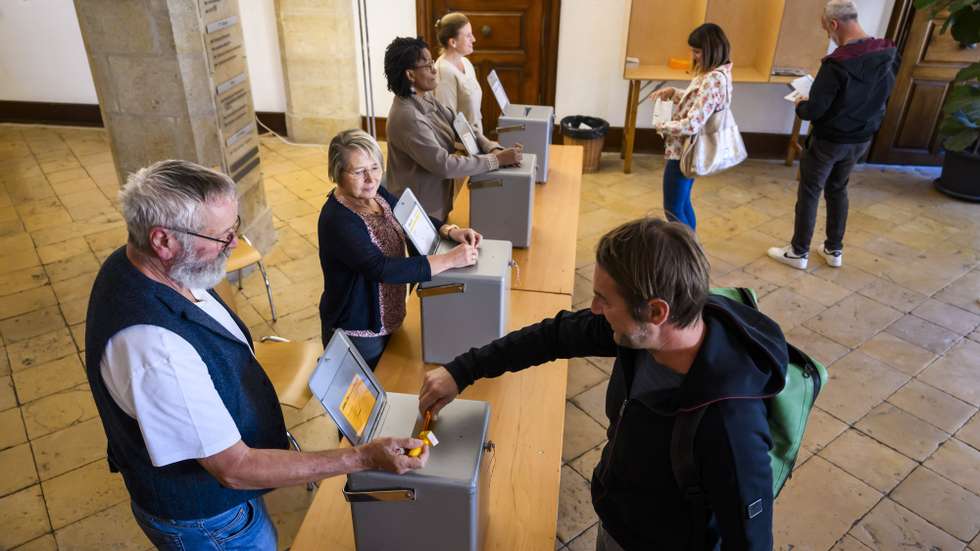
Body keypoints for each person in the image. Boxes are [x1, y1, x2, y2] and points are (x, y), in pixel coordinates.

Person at [85, 159, 429, 550]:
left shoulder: (152, 262)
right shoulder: (154, 348)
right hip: (212, 523)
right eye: (220, 236)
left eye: (234, 227)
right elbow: (235, 469)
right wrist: (363, 459)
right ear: (163, 240)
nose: (233, 244)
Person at [420, 217, 787, 550]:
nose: (594, 308)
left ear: (656, 311)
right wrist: (462, 370)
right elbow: (556, 335)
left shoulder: (730, 425)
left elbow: (750, 541)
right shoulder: (643, 332)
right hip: (618, 518)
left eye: (604, 299)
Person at [318, 129, 482, 369]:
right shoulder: (338, 219)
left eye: (375, 167)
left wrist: (450, 230)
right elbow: (380, 268)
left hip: (390, 317)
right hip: (359, 332)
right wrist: (449, 260)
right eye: (359, 171)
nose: (371, 178)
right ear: (337, 173)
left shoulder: (376, 196)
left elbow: (412, 217)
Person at [768, 0, 899, 270]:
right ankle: (833, 250)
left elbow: (813, 111)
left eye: (826, 30)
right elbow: (878, 95)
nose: (828, 35)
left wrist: (801, 103)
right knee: (838, 189)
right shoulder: (886, 53)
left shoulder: (836, 64)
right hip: (861, 139)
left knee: (810, 191)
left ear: (834, 24)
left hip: (830, 140)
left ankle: (798, 252)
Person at [383, 36, 522, 221]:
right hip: (420, 213)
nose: (434, 69)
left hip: (436, 200)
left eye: (432, 62)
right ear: (410, 75)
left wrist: (491, 147)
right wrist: (495, 160)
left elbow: (460, 125)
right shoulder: (408, 117)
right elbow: (444, 165)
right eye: (427, 65)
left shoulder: (425, 97)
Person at [650, 23, 734, 232]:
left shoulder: (712, 79)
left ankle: (688, 254)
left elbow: (693, 123)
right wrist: (674, 92)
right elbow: (701, 103)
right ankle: (692, 247)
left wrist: (663, 126)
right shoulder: (720, 73)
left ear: (711, 49)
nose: (694, 56)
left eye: (697, 51)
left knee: (672, 209)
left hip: (683, 151)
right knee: (683, 204)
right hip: (690, 150)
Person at [434, 12, 484, 134]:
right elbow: (446, 123)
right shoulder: (443, 72)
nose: (474, 39)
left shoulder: (466, 62)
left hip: (477, 139)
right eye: (468, 36)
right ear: (453, 42)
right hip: (461, 146)